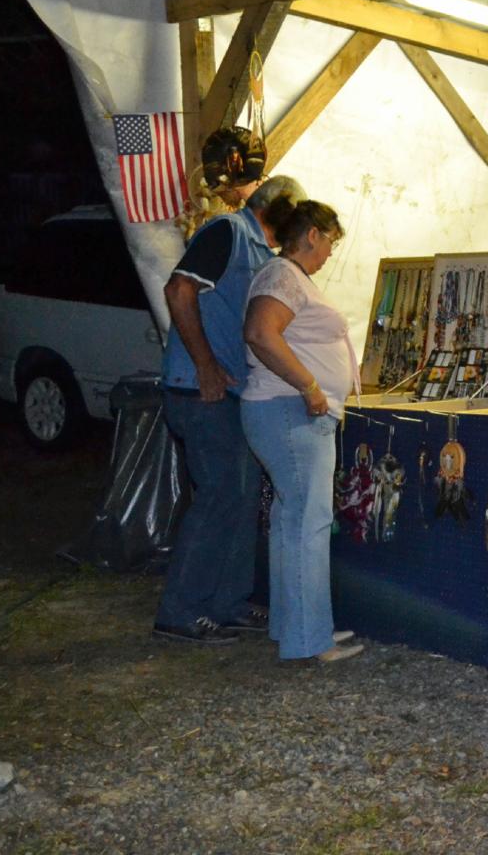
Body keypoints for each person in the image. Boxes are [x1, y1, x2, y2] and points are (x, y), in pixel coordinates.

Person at [153, 127, 305, 645]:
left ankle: (228, 603)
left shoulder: (264, 252)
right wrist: (206, 366)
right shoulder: (227, 232)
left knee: (241, 498)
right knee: (219, 496)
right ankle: (179, 611)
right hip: (201, 393)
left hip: (232, 393)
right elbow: (178, 291)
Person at [241, 198, 363, 663]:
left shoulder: (289, 278)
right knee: (308, 522)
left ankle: (294, 627)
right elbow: (260, 333)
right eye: (331, 241)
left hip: (286, 411)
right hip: (291, 411)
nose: (331, 252)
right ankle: (311, 639)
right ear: (313, 234)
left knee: (290, 520)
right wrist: (309, 385)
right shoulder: (283, 276)